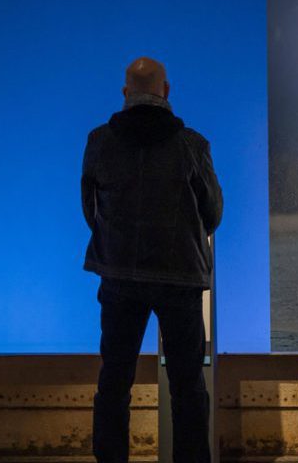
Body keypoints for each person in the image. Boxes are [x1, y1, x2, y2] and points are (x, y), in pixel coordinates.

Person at [81, 57, 222, 463]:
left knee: (114, 383)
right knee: (188, 387)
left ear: (125, 94)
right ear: (167, 91)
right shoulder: (192, 145)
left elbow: (90, 210)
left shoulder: (98, 141)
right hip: (180, 279)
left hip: (119, 276)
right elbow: (213, 213)